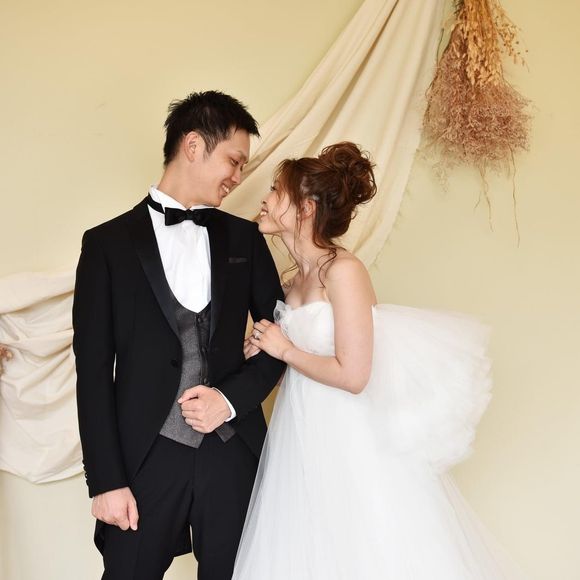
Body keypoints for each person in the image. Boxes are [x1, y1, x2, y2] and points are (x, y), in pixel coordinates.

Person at [232, 142, 527, 579]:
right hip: (301, 431)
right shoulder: (291, 283)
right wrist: (262, 352)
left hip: (347, 435)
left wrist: (285, 350)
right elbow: (293, 368)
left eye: (276, 190)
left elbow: (354, 374)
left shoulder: (344, 272)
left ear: (306, 208)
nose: (265, 198)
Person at [73, 90, 285, 580]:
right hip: (144, 460)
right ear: (193, 146)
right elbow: (93, 373)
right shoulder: (106, 245)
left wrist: (228, 401)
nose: (238, 176)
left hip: (232, 454)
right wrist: (105, 481)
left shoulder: (245, 239)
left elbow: (282, 343)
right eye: (233, 160)